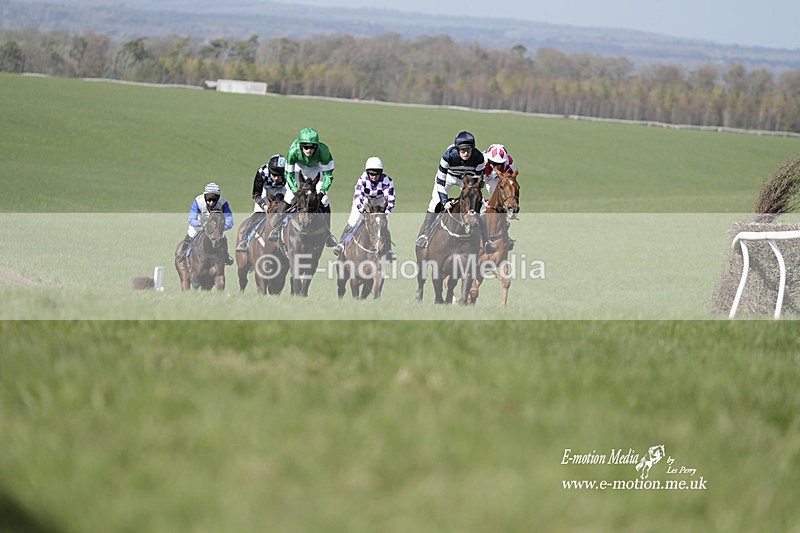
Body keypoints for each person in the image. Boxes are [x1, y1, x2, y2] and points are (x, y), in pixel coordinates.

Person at [415, 131, 495, 252]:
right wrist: (444, 200)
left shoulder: (479, 158)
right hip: (449, 177)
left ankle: (487, 241)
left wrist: (477, 198)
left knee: (482, 209)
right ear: (457, 149)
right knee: (434, 203)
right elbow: (440, 181)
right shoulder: (448, 156)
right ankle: (425, 234)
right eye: (462, 150)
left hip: (467, 181)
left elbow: (478, 183)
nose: (466, 153)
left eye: (468, 149)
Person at [270, 127, 337, 246]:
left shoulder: (324, 151)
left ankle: (327, 234)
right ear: (300, 146)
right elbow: (288, 175)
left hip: (317, 169)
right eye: (306, 147)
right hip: (298, 169)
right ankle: (275, 228)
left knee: (325, 200)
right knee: (290, 197)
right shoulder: (293, 151)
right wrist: (297, 192)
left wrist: (321, 193)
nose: (309, 150)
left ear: (317, 146)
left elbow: (328, 176)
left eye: (312, 147)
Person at [332, 156, 397, 261]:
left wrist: (385, 213)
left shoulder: (387, 180)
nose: (374, 176)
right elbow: (358, 197)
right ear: (367, 172)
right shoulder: (362, 179)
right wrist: (363, 211)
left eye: (376, 174)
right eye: (371, 174)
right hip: (365, 201)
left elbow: (390, 200)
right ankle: (341, 244)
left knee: (382, 224)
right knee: (353, 221)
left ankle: (388, 250)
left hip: (380, 202)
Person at [236, 154, 287, 252]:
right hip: (265, 191)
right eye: (274, 175)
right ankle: (244, 239)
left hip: (281, 190)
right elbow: (256, 194)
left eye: (279, 175)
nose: (276, 178)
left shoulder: (288, 173)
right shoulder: (262, 172)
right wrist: (264, 206)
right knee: (258, 215)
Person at [175, 182, 235, 264]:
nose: (211, 203)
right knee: (192, 234)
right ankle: (183, 253)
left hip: (215, 225)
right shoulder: (198, 201)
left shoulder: (223, 204)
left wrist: (219, 228)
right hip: (200, 222)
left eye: (214, 201)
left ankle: (226, 256)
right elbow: (191, 220)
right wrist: (202, 224)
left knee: (223, 237)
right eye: (209, 200)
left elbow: (230, 222)